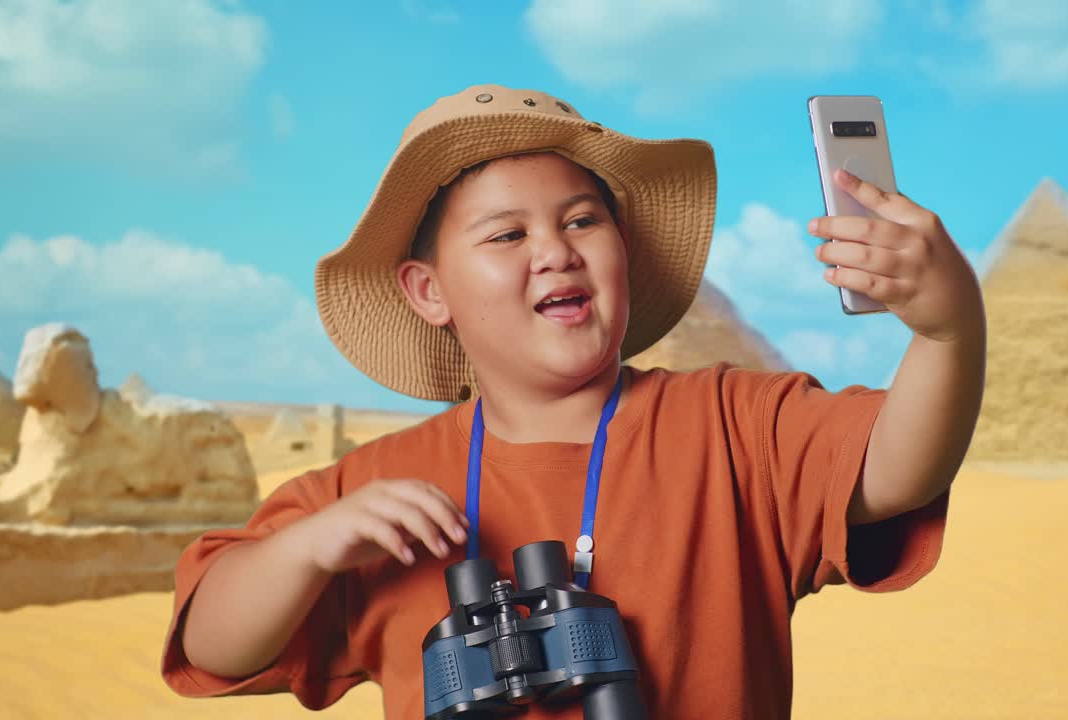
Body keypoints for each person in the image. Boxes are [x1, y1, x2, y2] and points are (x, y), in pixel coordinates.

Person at [160, 84, 984, 719]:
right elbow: (210, 642)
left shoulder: (738, 427)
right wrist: (305, 548)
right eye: (507, 235)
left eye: (583, 221)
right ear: (426, 290)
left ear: (623, 250)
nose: (555, 251)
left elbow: (894, 470)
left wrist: (949, 331)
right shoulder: (370, 497)